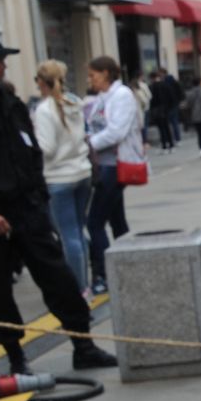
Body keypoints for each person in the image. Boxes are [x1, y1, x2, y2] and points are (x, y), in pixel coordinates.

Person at [0, 37, 117, 375]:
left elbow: (31, 152)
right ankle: (16, 358)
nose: (3, 63)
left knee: (58, 276)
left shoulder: (12, 104)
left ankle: (83, 345)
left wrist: (37, 199)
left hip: (27, 209)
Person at [31, 60, 94, 293]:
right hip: (82, 172)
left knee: (68, 235)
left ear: (40, 81)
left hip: (58, 178)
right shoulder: (74, 102)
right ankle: (84, 282)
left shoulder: (44, 109)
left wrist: (30, 145)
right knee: (78, 230)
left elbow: (46, 147)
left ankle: (78, 288)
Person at [83, 56, 144, 295]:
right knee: (117, 220)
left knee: (94, 222)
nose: (91, 80)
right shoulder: (102, 98)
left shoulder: (122, 96)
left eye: (93, 75)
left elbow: (116, 131)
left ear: (107, 73)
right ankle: (128, 266)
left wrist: (88, 146)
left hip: (115, 165)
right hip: (104, 165)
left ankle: (104, 274)